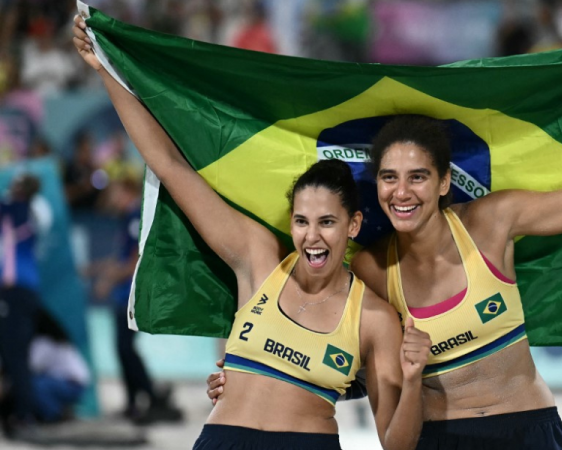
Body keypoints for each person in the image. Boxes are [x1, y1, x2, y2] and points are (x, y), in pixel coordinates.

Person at [209, 39, 562, 448]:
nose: (401, 192)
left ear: (446, 181)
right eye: (388, 177)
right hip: (435, 438)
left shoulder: (493, 222)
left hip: (527, 427)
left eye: (417, 177)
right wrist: (251, 381)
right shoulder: (370, 269)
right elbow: (344, 357)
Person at [73, 14, 429, 450]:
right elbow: (170, 165)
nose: (311, 236)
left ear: (353, 225)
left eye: (327, 222)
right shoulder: (260, 260)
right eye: (301, 221)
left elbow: (397, 443)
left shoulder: (373, 318)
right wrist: (107, 68)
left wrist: (412, 383)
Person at [90, 177, 183, 424]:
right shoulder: (127, 219)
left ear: (128, 191)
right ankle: (134, 401)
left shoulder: (134, 217)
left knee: (125, 348)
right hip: (125, 295)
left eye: (116, 193)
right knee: (123, 349)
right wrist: (96, 269)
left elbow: (134, 262)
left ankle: (148, 395)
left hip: (131, 296)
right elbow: (122, 258)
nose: (112, 199)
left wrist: (107, 279)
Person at [0, 174, 42, 440]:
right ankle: (22, 413)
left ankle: (23, 415)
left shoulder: (15, 209)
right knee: (17, 356)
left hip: (14, 290)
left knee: (13, 356)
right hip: (24, 290)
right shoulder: (33, 212)